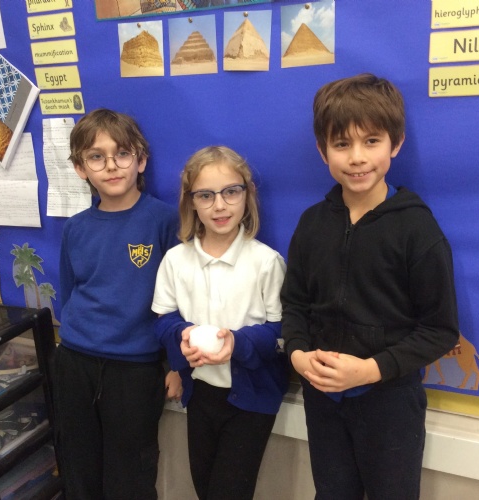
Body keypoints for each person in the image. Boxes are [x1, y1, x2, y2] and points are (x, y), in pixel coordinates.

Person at [280, 74, 459, 500]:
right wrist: (298, 354)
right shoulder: (312, 224)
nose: (357, 157)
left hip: (391, 404)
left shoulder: (417, 228)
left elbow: (440, 330)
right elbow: (294, 304)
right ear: (323, 151)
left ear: (395, 144)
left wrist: (371, 370)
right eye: (342, 144)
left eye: (372, 141)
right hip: (323, 402)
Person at [152, 146, 289, 500]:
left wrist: (237, 344)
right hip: (200, 395)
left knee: (230, 492)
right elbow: (164, 320)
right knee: (204, 485)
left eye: (230, 192)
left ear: (247, 194)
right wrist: (181, 336)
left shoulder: (266, 262)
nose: (219, 205)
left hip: (252, 397)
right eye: (206, 195)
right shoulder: (176, 260)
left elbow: (282, 332)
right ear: (191, 201)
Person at [55, 108, 179, 500]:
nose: (111, 166)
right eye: (96, 157)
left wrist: (178, 366)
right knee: (79, 468)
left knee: (131, 475)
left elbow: (181, 297)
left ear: (140, 161)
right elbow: (68, 292)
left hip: (135, 369)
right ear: (80, 168)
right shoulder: (75, 228)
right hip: (75, 362)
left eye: (122, 154)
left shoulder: (164, 220)